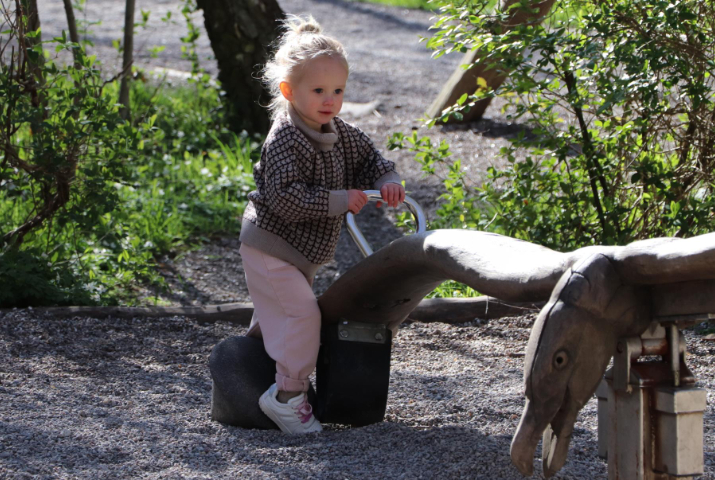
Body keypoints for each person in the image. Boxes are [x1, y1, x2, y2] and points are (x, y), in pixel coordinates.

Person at [238, 15, 405, 434]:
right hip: (271, 245)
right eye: (318, 91)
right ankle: (287, 397)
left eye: (338, 91)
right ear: (288, 91)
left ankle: (247, 367)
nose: (330, 100)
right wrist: (338, 200)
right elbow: (285, 198)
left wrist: (387, 182)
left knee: (279, 315)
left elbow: (371, 161)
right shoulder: (285, 140)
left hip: (299, 254)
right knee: (302, 318)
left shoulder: (339, 132)